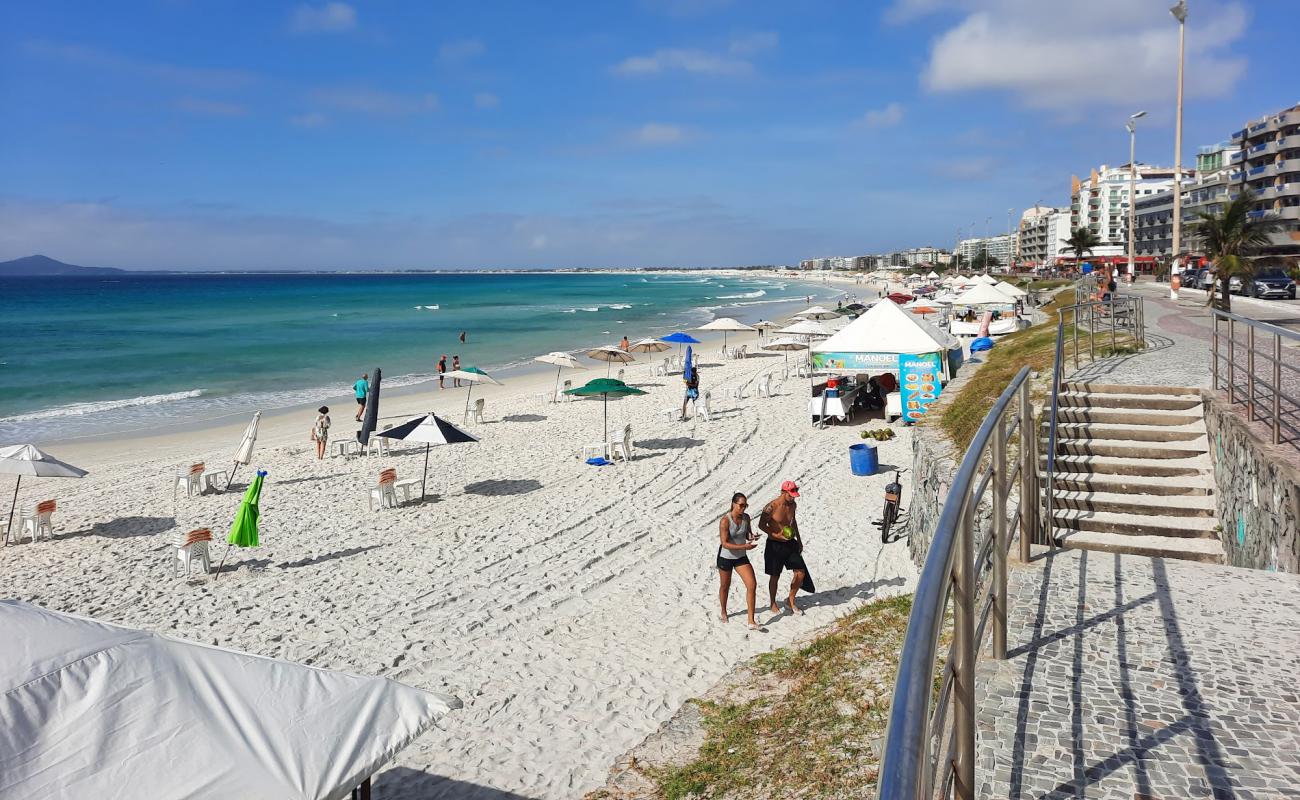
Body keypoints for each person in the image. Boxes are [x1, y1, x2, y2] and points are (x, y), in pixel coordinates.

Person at [758, 481, 806, 616]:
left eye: (794, 495)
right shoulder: (771, 507)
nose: (793, 498)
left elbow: (793, 521)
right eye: (791, 495)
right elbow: (761, 524)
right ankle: (772, 603)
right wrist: (775, 535)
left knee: (800, 572)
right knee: (775, 576)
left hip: (790, 543)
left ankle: (790, 600)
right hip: (774, 544)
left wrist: (799, 541)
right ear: (783, 492)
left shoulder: (793, 505)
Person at [717, 492, 760, 630]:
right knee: (725, 586)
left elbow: (747, 534)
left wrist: (752, 536)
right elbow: (724, 543)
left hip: (741, 557)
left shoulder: (746, 517)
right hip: (726, 557)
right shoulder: (725, 521)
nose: (743, 508)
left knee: (752, 584)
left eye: (745, 505)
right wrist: (745, 546)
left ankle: (751, 621)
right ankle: (724, 610)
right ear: (733, 504)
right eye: (741, 505)